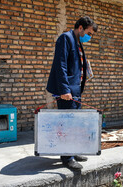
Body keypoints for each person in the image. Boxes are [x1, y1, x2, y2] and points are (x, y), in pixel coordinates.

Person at [46, 16, 98, 169]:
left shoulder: (78, 42)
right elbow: (60, 65)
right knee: (67, 124)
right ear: (80, 28)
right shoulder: (65, 38)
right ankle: (67, 158)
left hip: (75, 90)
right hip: (66, 91)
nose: (90, 37)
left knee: (75, 124)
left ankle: (74, 152)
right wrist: (64, 90)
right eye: (89, 33)